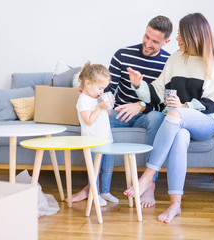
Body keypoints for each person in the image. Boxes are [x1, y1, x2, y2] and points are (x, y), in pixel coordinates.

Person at [124, 13, 214, 223]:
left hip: (205, 120)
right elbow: (157, 92)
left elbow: (211, 103)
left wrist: (184, 106)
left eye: (181, 35)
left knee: (174, 113)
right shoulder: (175, 59)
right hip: (178, 121)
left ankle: (146, 178)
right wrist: (138, 84)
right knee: (179, 135)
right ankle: (175, 204)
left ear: (194, 37)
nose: (177, 39)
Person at [71, 15, 173, 208]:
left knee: (157, 118)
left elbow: (162, 102)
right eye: (146, 36)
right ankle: (93, 185)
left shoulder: (168, 63)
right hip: (119, 113)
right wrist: (90, 96)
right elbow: (107, 90)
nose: (148, 43)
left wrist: (140, 106)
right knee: (93, 124)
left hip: (146, 114)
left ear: (166, 41)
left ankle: (148, 184)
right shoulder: (122, 55)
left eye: (155, 41)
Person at [75, 61, 116, 206]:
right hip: (92, 142)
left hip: (107, 140)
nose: (101, 91)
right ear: (87, 83)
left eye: (104, 88)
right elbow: (88, 120)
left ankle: (105, 191)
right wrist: (99, 107)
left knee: (108, 168)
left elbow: (109, 113)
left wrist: (109, 104)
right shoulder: (83, 100)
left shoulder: (99, 97)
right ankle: (95, 193)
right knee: (94, 170)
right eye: (100, 87)